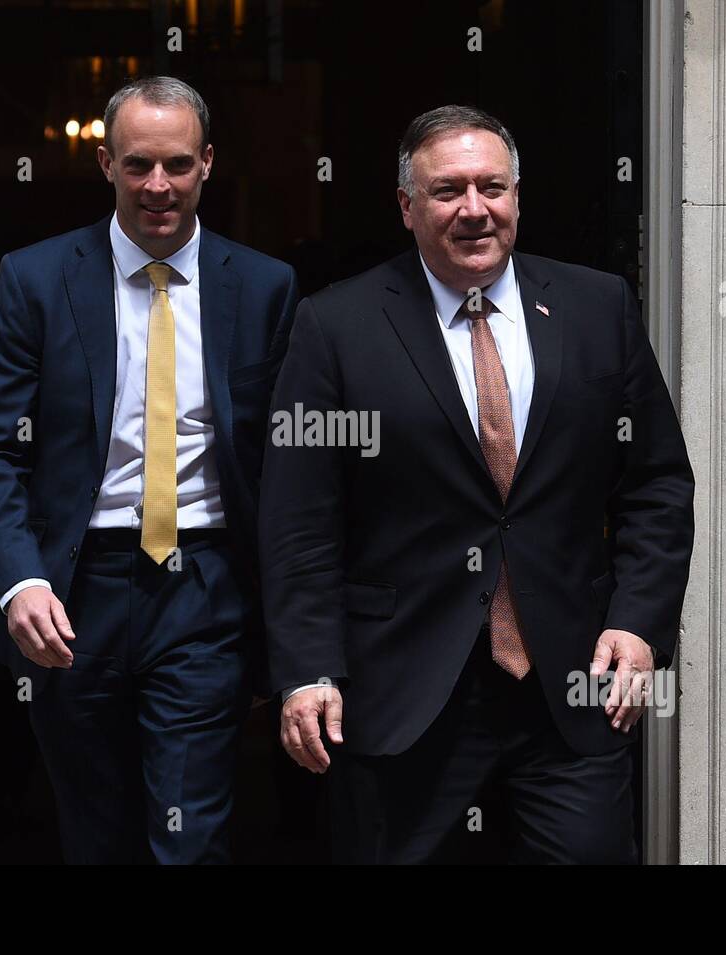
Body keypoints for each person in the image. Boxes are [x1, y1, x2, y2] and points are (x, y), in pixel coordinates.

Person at [260, 105, 694, 863]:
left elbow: (655, 483)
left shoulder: (599, 308)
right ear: (406, 206)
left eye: (491, 187)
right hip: (402, 685)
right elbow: (300, 521)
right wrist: (306, 669)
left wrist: (638, 622)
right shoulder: (336, 325)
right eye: (447, 190)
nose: (473, 209)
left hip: (570, 680)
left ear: (518, 196)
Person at [0, 76, 298, 863]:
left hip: (205, 589)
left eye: (177, 164)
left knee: (191, 832)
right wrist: (19, 579)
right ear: (105, 162)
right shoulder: (35, 279)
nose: (158, 186)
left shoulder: (265, 286)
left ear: (208, 163)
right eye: (138, 164)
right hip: (76, 592)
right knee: (95, 834)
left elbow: (289, 464)